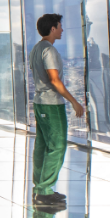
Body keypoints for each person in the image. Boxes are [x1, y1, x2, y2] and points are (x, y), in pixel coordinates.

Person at [29, 14, 84, 207]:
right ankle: (44, 191)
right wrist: (74, 102)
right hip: (52, 104)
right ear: (52, 28)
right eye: (60, 26)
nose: (62, 29)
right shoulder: (49, 51)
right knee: (57, 147)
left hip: (39, 102)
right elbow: (54, 80)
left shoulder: (36, 48)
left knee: (43, 146)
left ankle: (40, 189)